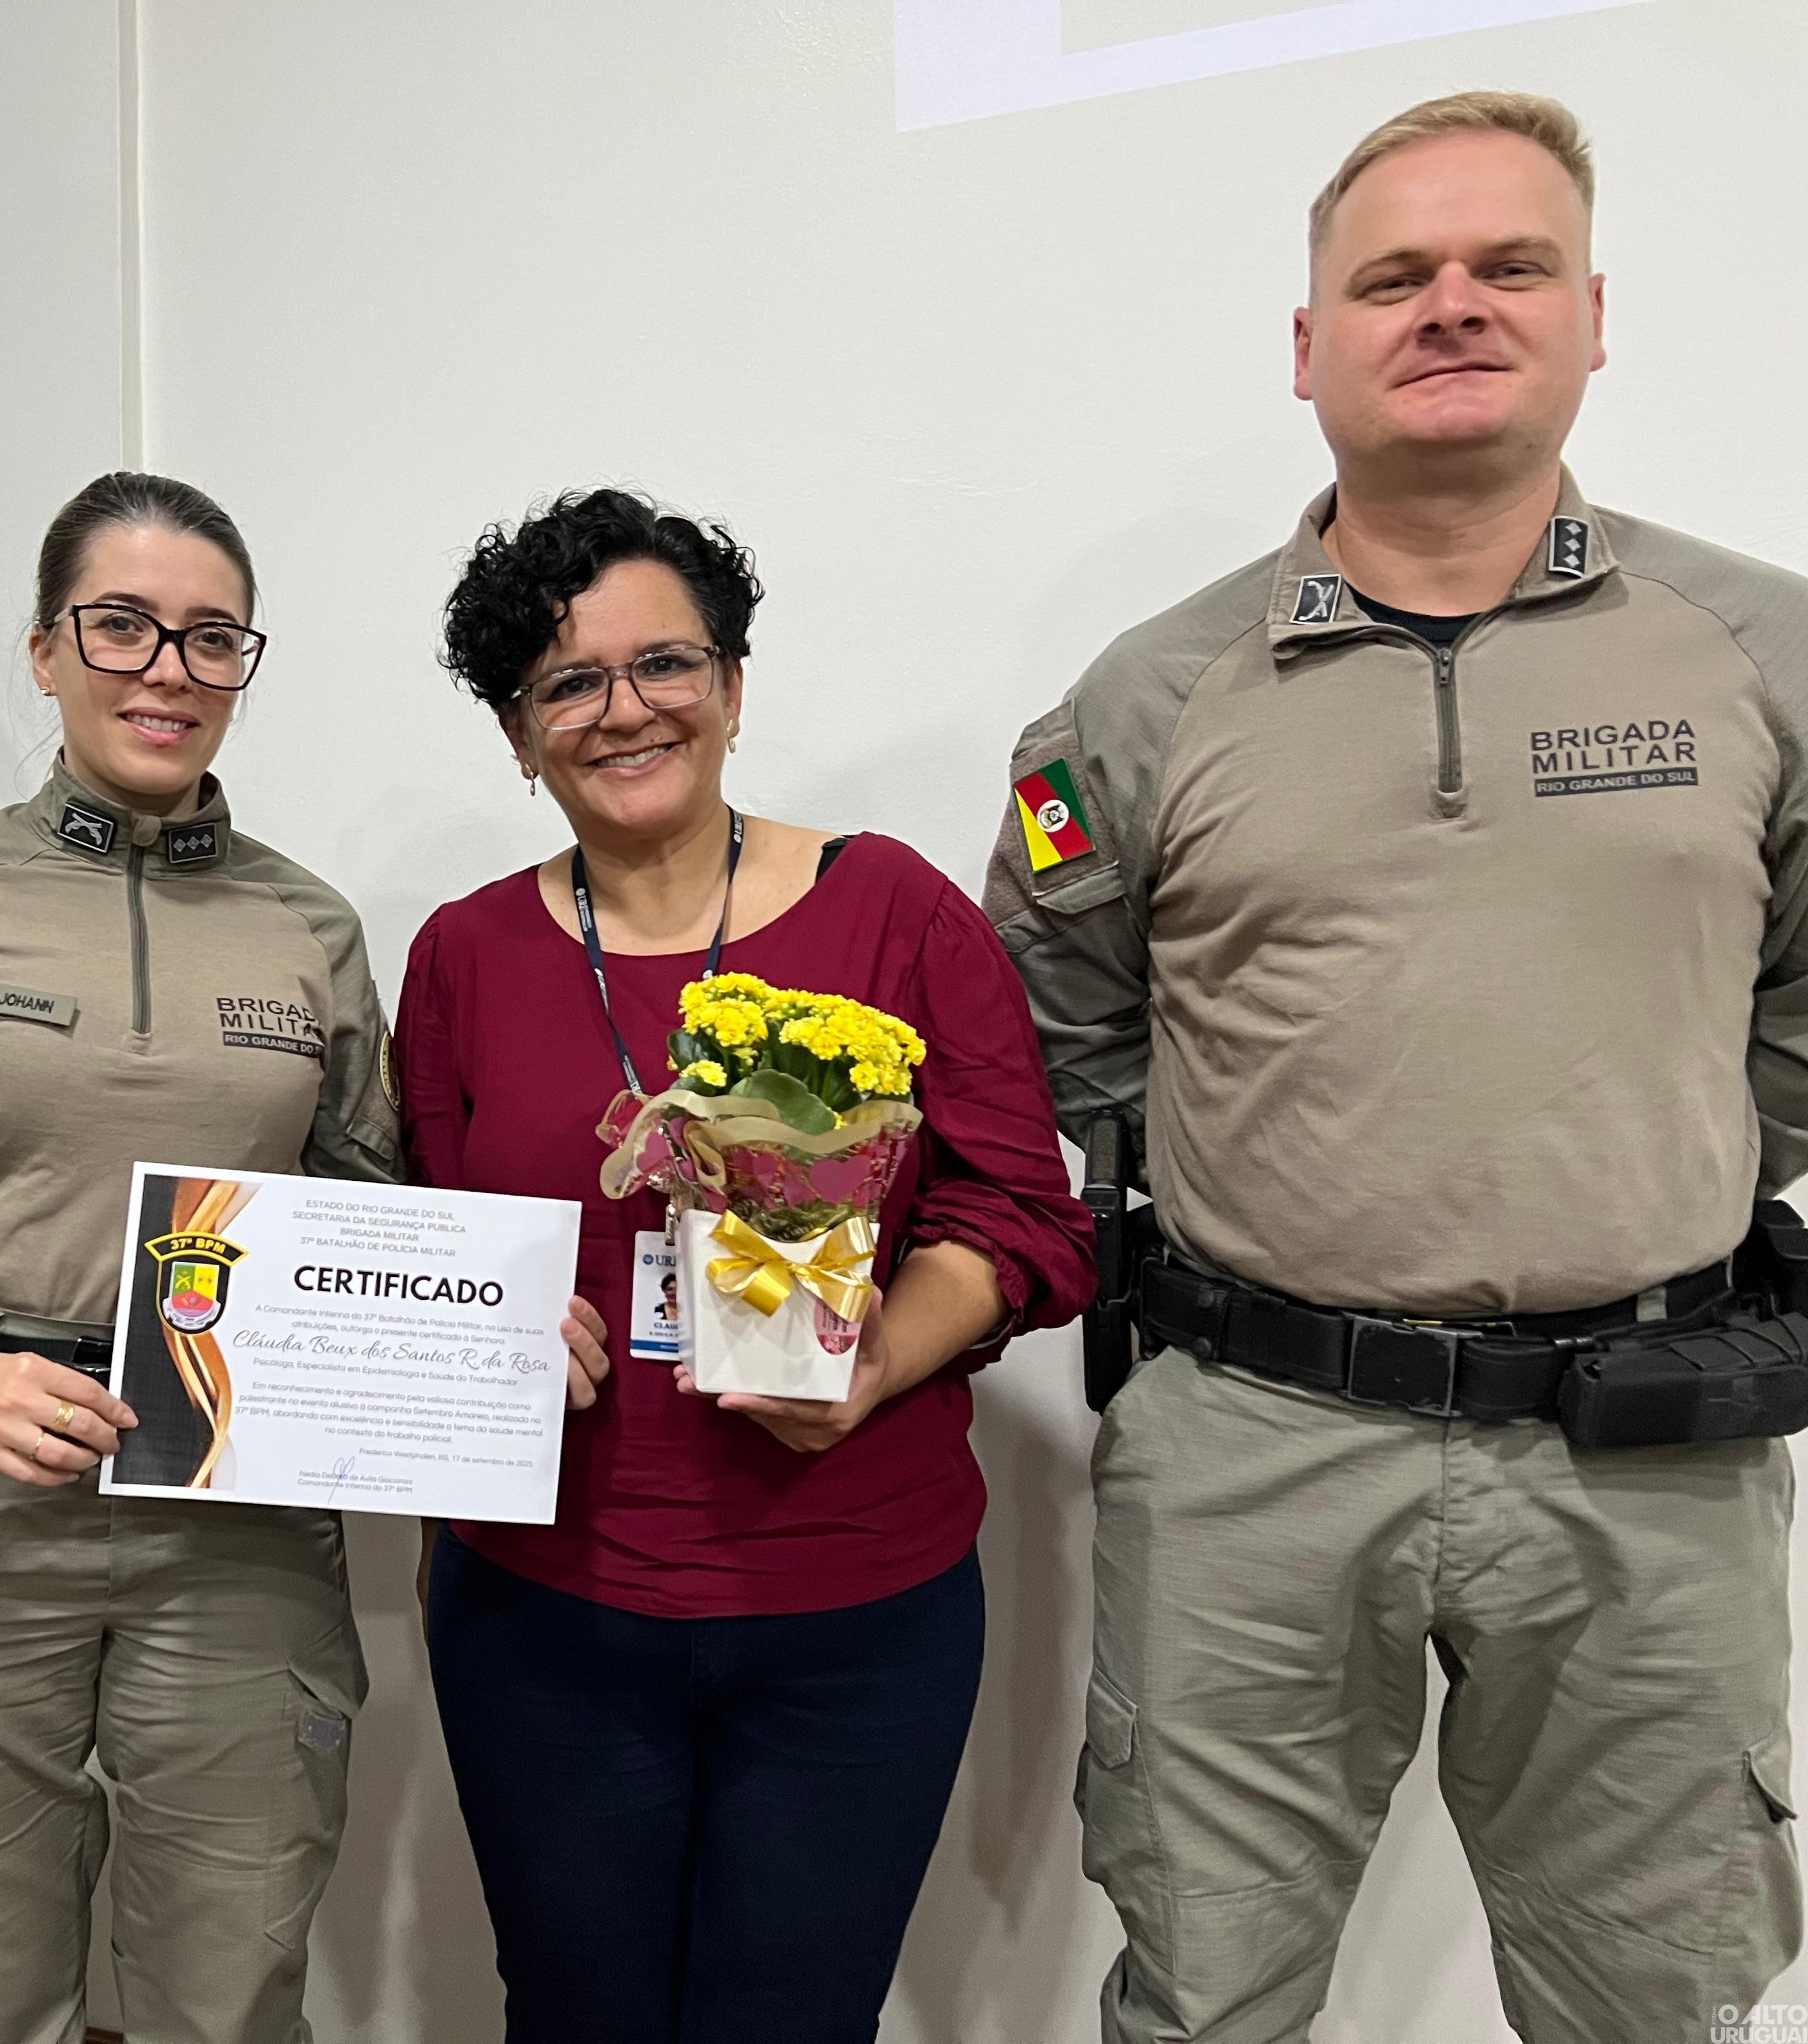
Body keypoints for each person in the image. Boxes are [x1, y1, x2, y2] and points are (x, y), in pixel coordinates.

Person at [989, 91, 1806, 2044]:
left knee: (1653, 2002)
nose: (1451, 306)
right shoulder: (1144, 698)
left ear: (1594, 314)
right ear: (1307, 348)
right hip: (1253, 1444)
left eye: (1507, 267)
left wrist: (1658, 1146)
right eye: (1393, 278)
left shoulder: (1764, 655)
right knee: (1206, 1990)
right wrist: (1257, 1166)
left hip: (1650, 1443)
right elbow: (1053, 1013)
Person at [0, 472, 429, 2044]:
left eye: (212, 638)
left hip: (236, 1536)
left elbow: (373, 1211)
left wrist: (491, 1330)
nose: (167, 670)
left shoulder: (311, 928)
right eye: (122, 625)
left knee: (232, 1996)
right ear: (46, 651)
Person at [399, 487, 1095, 2043]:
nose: (623, 709)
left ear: (732, 686)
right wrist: (481, 1337)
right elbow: (436, 1235)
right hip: (544, 1619)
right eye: (566, 683)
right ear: (519, 737)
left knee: (792, 2019)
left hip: (851, 1617)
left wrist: (875, 1359)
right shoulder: (461, 955)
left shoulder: (894, 910)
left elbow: (1024, 1216)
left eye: (665, 664)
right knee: (573, 2014)